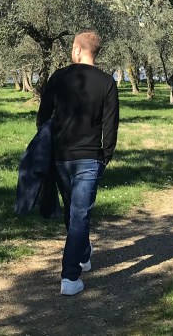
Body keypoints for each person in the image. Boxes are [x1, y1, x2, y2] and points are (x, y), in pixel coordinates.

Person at [36, 30, 119, 296]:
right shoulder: (107, 82)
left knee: (76, 213)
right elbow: (111, 125)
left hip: (60, 157)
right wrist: (106, 156)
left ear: (77, 50)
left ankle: (70, 276)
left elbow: (42, 117)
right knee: (78, 213)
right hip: (90, 157)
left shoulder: (59, 77)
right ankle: (82, 252)